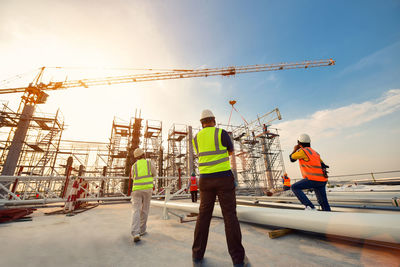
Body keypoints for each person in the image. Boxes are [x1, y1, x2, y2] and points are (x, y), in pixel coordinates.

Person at [192, 109, 248, 267]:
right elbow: (230, 151)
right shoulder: (221, 133)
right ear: (213, 120)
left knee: (203, 216)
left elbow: (202, 156)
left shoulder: (196, 138)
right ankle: (238, 259)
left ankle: (197, 254)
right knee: (230, 216)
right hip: (223, 178)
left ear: (201, 123)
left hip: (205, 180)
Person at [289, 134, 331, 211]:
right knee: (323, 202)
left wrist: (295, 149)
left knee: (294, 187)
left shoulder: (303, 151)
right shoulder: (315, 153)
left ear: (299, 142)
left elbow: (291, 158)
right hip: (322, 180)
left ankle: (310, 207)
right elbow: (323, 164)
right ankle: (329, 217)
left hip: (312, 180)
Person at [130, 148, 156, 242]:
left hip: (136, 190)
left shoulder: (134, 166)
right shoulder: (149, 163)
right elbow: (154, 173)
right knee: (145, 210)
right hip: (147, 190)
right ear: (143, 155)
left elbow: (133, 177)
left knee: (135, 210)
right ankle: (142, 230)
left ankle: (135, 233)